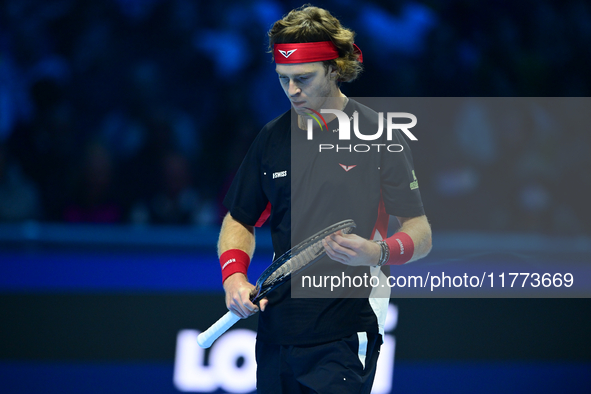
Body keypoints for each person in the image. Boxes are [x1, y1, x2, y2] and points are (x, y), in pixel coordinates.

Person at [218, 5, 432, 393]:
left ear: (335, 69)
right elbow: (239, 218)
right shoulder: (270, 139)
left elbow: (420, 233)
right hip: (276, 334)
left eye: (303, 78)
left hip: (346, 335)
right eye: (283, 80)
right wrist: (233, 277)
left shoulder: (381, 137)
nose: (292, 91)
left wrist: (378, 253)